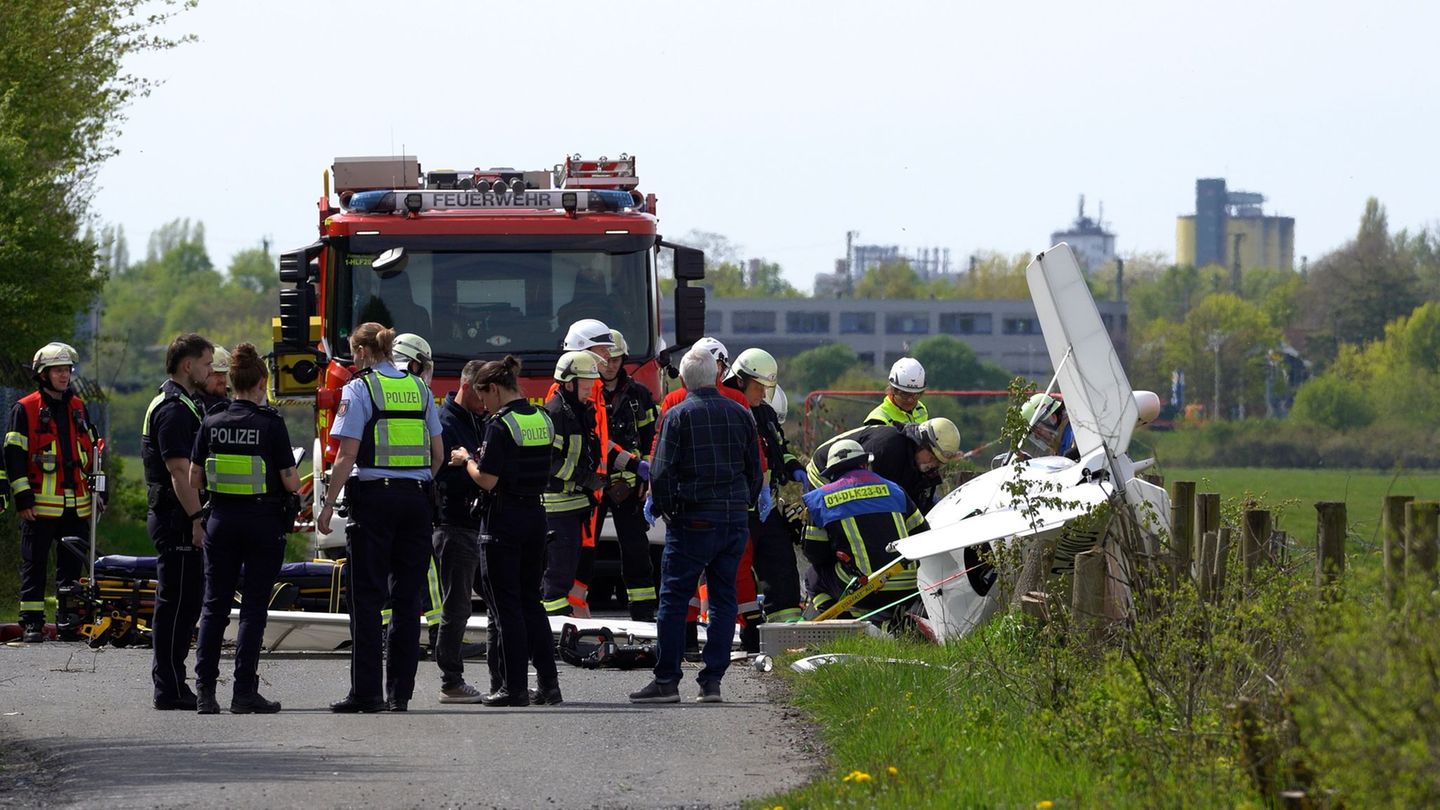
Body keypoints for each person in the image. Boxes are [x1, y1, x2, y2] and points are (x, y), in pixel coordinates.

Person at [319, 322, 444, 713]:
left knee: (368, 598)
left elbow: (346, 454)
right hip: (416, 502)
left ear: (360, 352)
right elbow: (438, 455)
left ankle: (366, 693)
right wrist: (416, 484)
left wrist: (326, 506)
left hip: (374, 500)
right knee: (408, 601)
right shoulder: (420, 388)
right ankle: (400, 695)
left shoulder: (360, 388)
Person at [630, 347, 760, 704]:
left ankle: (667, 681)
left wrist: (670, 511)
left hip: (693, 520)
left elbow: (661, 471)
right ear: (717, 376)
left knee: (673, 600)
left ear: (684, 380)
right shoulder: (740, 413)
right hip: (733, 519)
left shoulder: (678, 414)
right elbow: (754, 470)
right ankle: (712, 681)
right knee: (723, 600)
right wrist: (741, 503)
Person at [189, 343, 300, 715]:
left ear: (232, 381)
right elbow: (289, 481)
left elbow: (194, 476)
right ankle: (243, 693)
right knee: (253, 609)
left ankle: (205, 692)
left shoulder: (212, 421)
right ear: (262, 382)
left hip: (220, 521)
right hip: (262, 523)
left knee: (214, 606)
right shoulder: (270, 424)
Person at [452, 355, 562, 707]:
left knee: (506, 608)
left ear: (495, 389)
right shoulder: (543, 418)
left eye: (484, 398)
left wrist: (466, 459)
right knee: (532, 603)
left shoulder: (500, 425)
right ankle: (548, 684)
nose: (483, 405)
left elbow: (487, 479)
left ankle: (513, 687)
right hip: (536, 516)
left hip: (503, 522)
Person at [5, 342, 100, 643]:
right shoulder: (25, 408)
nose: (64, 375)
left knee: (71, 569)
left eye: (67, 370)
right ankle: (32, 622)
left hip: (78, 506)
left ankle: (69, 621)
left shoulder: (79, 408)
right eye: (58, 370)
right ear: (43, 374)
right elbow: (13, 456)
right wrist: (22, 497)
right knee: (35, 566)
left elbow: (94, 452)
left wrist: (101, 492)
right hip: (39, 507)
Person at [142, 333, 213, 709]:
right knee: (176, 605)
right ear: (188, 366)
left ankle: (173, 682)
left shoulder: (186, 403)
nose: (210, 370)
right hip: (177, 518)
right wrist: (197, 519)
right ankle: (169, 687)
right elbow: (178, 470)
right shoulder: (173, 409)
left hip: (180, 516)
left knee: (185, 604)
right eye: (206, 364)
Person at [723, 348, 807, 624]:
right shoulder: (727, 410)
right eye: (759, 387)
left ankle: (787, 628)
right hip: (735, 509)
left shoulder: (766, 413)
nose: (762, 394)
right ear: (740, 380)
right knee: (737, 571)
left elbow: (779, 448)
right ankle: (740, 627)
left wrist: (794, 466)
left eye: (767, 388)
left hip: (765, 506)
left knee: (782, 566)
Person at [802, 439, 928, 619]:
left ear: (832, 472)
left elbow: (815, 554)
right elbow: (923, 535)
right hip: (909, 586)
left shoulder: (820, 499)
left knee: (813, 576)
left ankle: (842, 623)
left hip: (866, 590)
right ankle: (892, 621)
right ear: (864, 464)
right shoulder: (895, 490)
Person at [431, 359, 489, 704]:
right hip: (453, 523)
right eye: (482, 395)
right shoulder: (444, 423)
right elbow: (439, 474)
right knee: (458, 606)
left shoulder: (476, 419)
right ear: (467, 388)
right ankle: (451, 680)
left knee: (495, 599)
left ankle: (503, 678)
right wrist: (471, 466)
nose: (486, 402)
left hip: (476, 525)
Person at [595, 329, 659, 622]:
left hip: (631, 489)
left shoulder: (638, 395)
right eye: (605, 358)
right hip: (594, 486)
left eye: (615, 359)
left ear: (623, 359)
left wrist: (647, 480)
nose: (610, 365)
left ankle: (643, 613)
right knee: (582, 551)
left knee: (636, 551)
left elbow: (651, 441)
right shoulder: (587, 392)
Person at [541, 351, 605, 616]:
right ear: (569, 383)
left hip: (574, 506)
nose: (590, 390)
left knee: (567, 571)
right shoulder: (556, 413)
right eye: (586, 384)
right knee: (557, 575)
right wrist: (582, 477)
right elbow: (551, 462)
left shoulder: (578, 410)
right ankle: (553, 630)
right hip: (558, 509)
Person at [806, 417, 963, 514]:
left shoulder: (916, 463)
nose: (933, 464)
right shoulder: (886, 447)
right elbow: (861, 487)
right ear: (921, 444)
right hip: (824, 473)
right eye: (933, 457)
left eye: (939, 463)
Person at [863, 357, 930, 427]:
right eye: (905, 394)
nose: (910, 400)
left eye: (916, 394)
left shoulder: (920, 409)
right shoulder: (877, 420)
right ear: (892, 390)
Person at [1018, 393, 1078, 461]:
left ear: (1052, 417)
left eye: (1037, 430)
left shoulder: (1074, 435)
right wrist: (1029, 461)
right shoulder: (1060, 444)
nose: (1037, 437)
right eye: (1033, 433)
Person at [198, 346, 232, 414]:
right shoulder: (190, 407)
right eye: (216, 374)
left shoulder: (229, 406)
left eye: (224, 374)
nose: (222, 380)